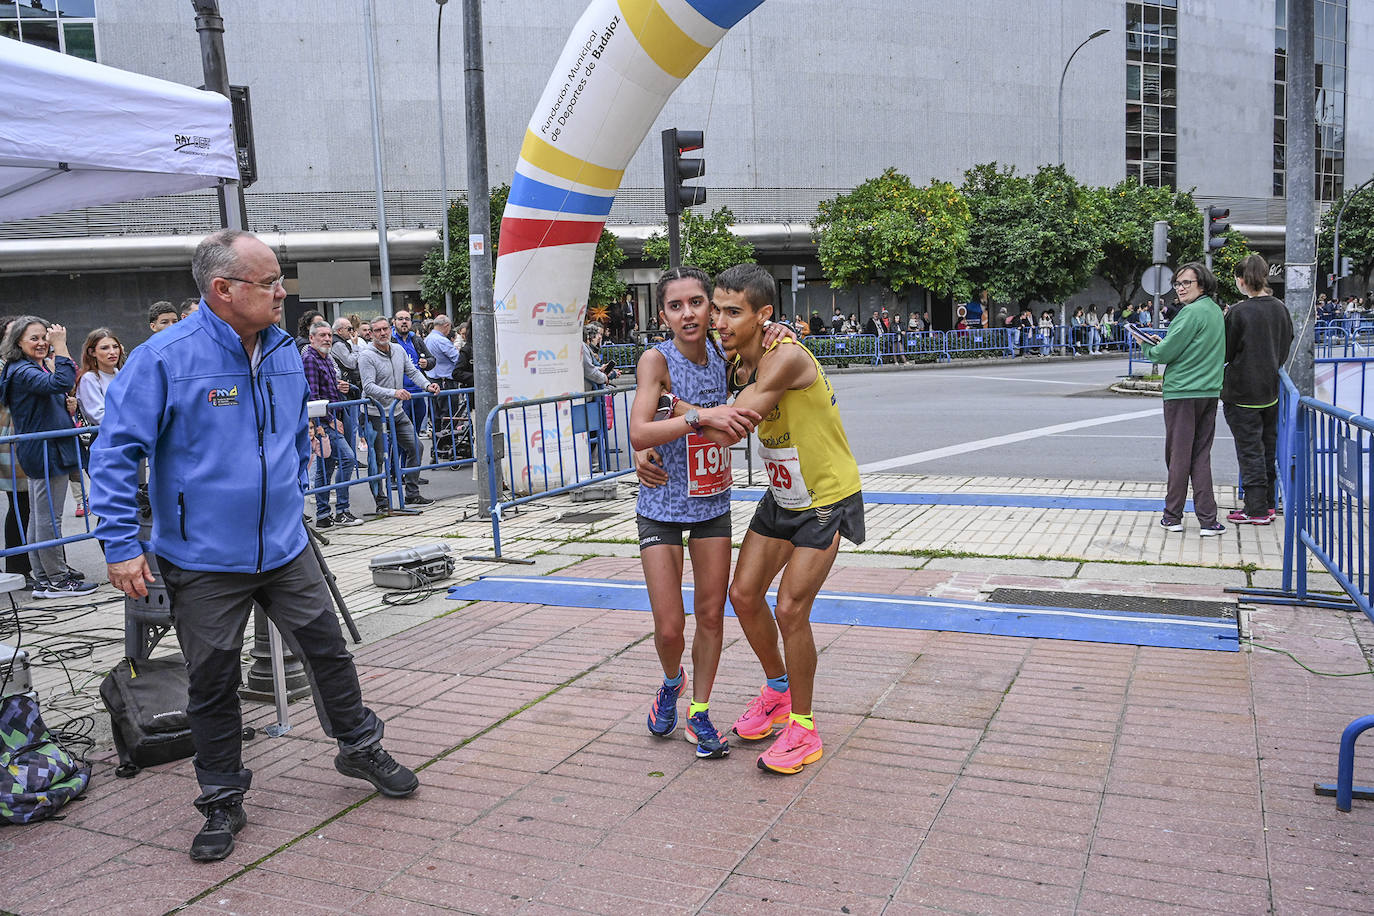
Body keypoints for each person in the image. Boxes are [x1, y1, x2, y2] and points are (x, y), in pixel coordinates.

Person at [88, 229, 417, 862]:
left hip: (285, 547)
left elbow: (293, 433)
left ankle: (358, 746)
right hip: (203, 559)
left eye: (278, 279)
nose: (280, 290)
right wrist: (121, 545)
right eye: (268, 282)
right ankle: (220, 796)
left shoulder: (285, 350)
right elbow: (115, 452)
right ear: (223, 290)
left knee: (328, 649)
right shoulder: (165, 358)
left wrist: (291, 492)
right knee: (212, 679)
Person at [687, 263, 864, 776]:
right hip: (784, 496)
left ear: (764, 315)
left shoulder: (783, 357)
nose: (719, 321)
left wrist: (667, 417)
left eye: (732, 312)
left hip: (826, 496)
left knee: (790, 609)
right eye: (716, 309)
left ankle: (804, 729)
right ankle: (779, 692)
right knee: (743, 596)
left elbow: (730, 429)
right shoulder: (738, 359)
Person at [628, 266, 762, 760]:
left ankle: (699, 712)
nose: (688, 314)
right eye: (675, 305)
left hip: (710, 504)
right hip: (660, 504)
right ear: (663, 314)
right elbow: (639, 432)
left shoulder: (726, 356)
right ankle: (670, 682)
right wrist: (697, 416)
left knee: (710, 613)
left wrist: (783, 331)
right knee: (669, 626)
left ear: (711, 306)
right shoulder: (655, 360)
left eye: (697, 303)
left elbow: (766, 339)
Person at [0, 318, 99, 599]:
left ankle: (44, 577)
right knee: (48, 518)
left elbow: (49, 395)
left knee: (40, 517)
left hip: (46, 449)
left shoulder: (25, 368)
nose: (42, 342)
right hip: (44, 451)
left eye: (45, 337)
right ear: (17, 342)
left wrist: (64, 404)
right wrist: (61, 346)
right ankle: (57, 578)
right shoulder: (22, 370)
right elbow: (63, 380)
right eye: (35, 338)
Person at [1136, 262, 1226, 535]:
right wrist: (1161, 344)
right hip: (1209, 392)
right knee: (1200, 456)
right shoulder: (1214, 311)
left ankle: (1172, 516)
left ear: (1202, 284)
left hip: (1182, 393)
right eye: (1178, 283)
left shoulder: (1190, 314)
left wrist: (1146, 345)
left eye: (1187, 282)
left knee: (1178, 457)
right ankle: (1208, 521)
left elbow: (1163, 354)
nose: (1181, 288)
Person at [1223, 254, 1294, 525]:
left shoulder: (1239, 312)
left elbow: (1226, 352)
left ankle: (1255, 510)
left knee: (1249, 450)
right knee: (1266, 448)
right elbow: (1287, 342)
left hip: (1242, 392)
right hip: (1270, 390)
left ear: (1241, 281)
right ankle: (1267, 505)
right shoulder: (1280, 308)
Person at [359, 315, 438, 513]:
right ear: (371, 334)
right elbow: (368, 386)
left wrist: (428, 385)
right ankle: (381, 501)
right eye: (377, 330)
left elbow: (412, 372)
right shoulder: (366, 355)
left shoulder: (398, 349)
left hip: (397, 411)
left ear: (389, 328)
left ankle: (412, 493)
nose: (382, 333)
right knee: (378, 459)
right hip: (374, 413)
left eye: (385, 329)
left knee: (416, 447)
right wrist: (394, 393)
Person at [303, 322, 361, 528]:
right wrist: (330, 420)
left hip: (331, 417)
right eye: (322, 335)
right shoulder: (310, 358)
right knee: (347, 459)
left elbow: (328, 389)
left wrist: (342, 386)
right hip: (322, 422)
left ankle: (323, 515)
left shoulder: (326, 357)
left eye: (329, 335)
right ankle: (342, 511)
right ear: (312, 338)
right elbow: (312, 395)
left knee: (325, 468)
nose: (327, 338)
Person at [74, 327, 125, 514]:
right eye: (104, 348)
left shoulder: (120, 374)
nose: (112, 352)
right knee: (111, 502)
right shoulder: (89, 378)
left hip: (127, 441)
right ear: (92, 352)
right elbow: (99, 415)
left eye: (115, 346)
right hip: (105, 444)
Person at [424, 314, 463, 461]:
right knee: (448, 416)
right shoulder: (441, 340)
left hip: (432, 381)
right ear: (446, 326)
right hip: (445, 382)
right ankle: (446, 447)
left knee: (436, 417)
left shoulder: (427, 339)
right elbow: (457, 359)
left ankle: (437, 448)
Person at [390, 309, 435, 436]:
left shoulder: (416, 339)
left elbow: (432, 359)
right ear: (394, 322)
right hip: (400, 396)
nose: (404, 322)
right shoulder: (390, 341)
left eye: (407, 319)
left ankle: (411, 456)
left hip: (418, 394)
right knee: (401, 437)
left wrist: (427, 363)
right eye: (400, 319)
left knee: (414, 436)